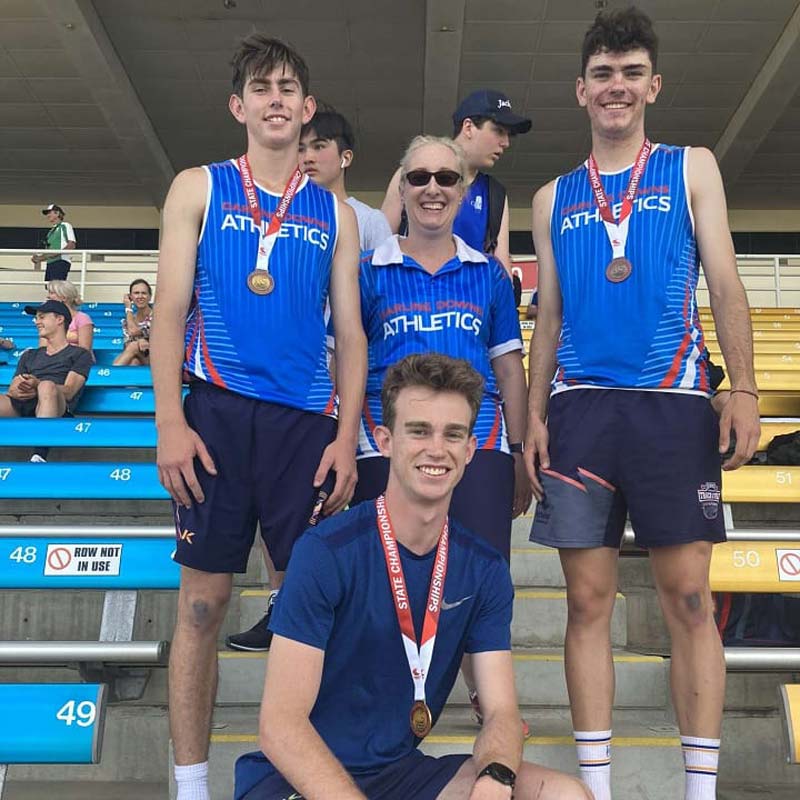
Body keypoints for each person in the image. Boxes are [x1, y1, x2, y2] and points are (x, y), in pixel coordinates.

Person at [523, 8, 761, 800]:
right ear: (580, 90)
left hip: (674, 405)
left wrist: (747, 391)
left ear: (652, 85)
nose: (616, 86)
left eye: (630, 73)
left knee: (690, 598)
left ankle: (699, 790)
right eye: (602, 73)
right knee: (586, 602)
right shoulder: (554, 195)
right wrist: (531, 413)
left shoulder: (692, 167)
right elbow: (547, 316)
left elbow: (725, 284)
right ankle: (596, 786)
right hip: (582, 411)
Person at [149, 34, 365, 800]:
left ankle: (303, 778)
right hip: (212, 414)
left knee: (307, 612)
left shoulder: (334, 213)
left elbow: (351, 332)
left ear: (307, 111)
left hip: (304, 428)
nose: (275, 99)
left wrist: (345, 438)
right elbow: (170, 311)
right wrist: (170, 423)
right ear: (239, 107)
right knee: (204, 605)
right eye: (261, 87)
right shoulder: (197, 187)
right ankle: (191, 783)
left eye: (289, 89)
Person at [234, 353, 591, 800]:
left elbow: (501, 712)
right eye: (418, 431)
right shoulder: (326, 552)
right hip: (296, 776)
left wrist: (495, 779)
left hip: (399, 774)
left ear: (469, 449)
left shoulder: (483, 568)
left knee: (564, 795)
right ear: (384, 440)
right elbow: (281, 726)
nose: (436, 449)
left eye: (453, 434)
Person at [353, 135, 531, 733]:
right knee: (387, 573)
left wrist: (520, 448)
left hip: (476, 448)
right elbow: (345, 360)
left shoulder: (490, 276)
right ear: (401, 187)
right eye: (420, 177)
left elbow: (509, 365)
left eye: (446, 179)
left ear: (462, 190)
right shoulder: (366, 272)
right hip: (390, 450)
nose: (433, 189)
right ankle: (384, 694)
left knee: (484, 574)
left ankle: (491, 699)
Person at [225, 109, 390, 653]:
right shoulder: (274, 209)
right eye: (304, 146)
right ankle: (282, 604)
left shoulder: (363, 221)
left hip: (347, 371)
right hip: (297, 374)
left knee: (332, 502)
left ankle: (346, 613)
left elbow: (367, 312)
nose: (309, 155)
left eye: (320, 146)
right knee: (291, 508)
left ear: (344, 156)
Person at [381, 90, 531, 274]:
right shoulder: (413, 174)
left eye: (508, 135)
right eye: (499, 131)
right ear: (468, 127)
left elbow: (501, 267)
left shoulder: (495, 194)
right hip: (411, 294)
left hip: (471, 298)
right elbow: (381, 243)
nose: (506, 142)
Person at [299, 108, 392, 251]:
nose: (308, 158)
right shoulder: (282, 214)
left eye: (319, 146)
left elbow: (383, 273)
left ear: (346, 157)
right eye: (300, 149)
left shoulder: (370, 220)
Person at [0, 300, 91, 422]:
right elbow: (13, 388)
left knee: (46, 386)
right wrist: (17, 391)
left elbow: (70, 391)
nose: (37, 322)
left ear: (59, 319)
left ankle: (41, 437)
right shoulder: (29, 355)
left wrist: (38, 385)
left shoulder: (80, 354)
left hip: (56, 403)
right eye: (37, 318)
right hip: (24, 403)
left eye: (42, 317)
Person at [41, 280, 94, 355]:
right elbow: (43, 347)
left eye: (52, 293)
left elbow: (85, 350)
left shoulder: (82, 318)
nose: (48, 296)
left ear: (64, 298)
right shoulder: (47, 319)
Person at [113, 279, 153, 366]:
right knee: (134, 362)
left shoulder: (157, 317)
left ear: (150, 297)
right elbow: (127, 345)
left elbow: (133, 331)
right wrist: (140, 341)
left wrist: (128, 308)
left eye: (144, 293)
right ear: (130, 297)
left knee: (134, 346)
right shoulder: (127, 320)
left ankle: (109, 376)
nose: (140, 296)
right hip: (139, 357)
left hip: (156, 358)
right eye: (136, 293)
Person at [31, 204, 76, 281]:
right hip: (50, 263)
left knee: (57, 287)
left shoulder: (65, 225)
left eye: (49, 212)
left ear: (57, 213)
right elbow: (49, 252)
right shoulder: (50, 232)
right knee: (49, 287)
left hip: (60, 261)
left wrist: (55, 253)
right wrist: (39, 258)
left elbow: (71, 244)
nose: (48, 215)